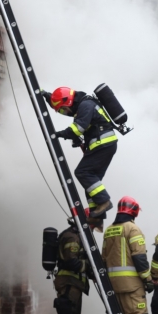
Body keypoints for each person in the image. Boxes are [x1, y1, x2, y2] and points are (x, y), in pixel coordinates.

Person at [44, 87, 118, 222]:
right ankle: (97, 216)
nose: (64, 112)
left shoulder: (86, 105)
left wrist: (59, 134)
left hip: (102, 144)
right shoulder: (81, 106)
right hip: (104, 145)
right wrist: (48, 96)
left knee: (83, 173)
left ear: (68, 101)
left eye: (63, 109)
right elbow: (65, 107)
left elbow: (77, 129)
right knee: (90, 181)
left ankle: (104, 201)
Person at [102, 196, 152, 314]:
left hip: (112, 284)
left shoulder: (109, 230)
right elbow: (139, 258)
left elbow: (103, 257)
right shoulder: (133, 229)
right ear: (135, 211)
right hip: (132, 285)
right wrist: (147, 279)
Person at [53, 213, 93, 314]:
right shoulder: (72, 237)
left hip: (74, 283)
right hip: (69, 283)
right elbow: (72, 262)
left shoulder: (78, 236)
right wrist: (91, 265)